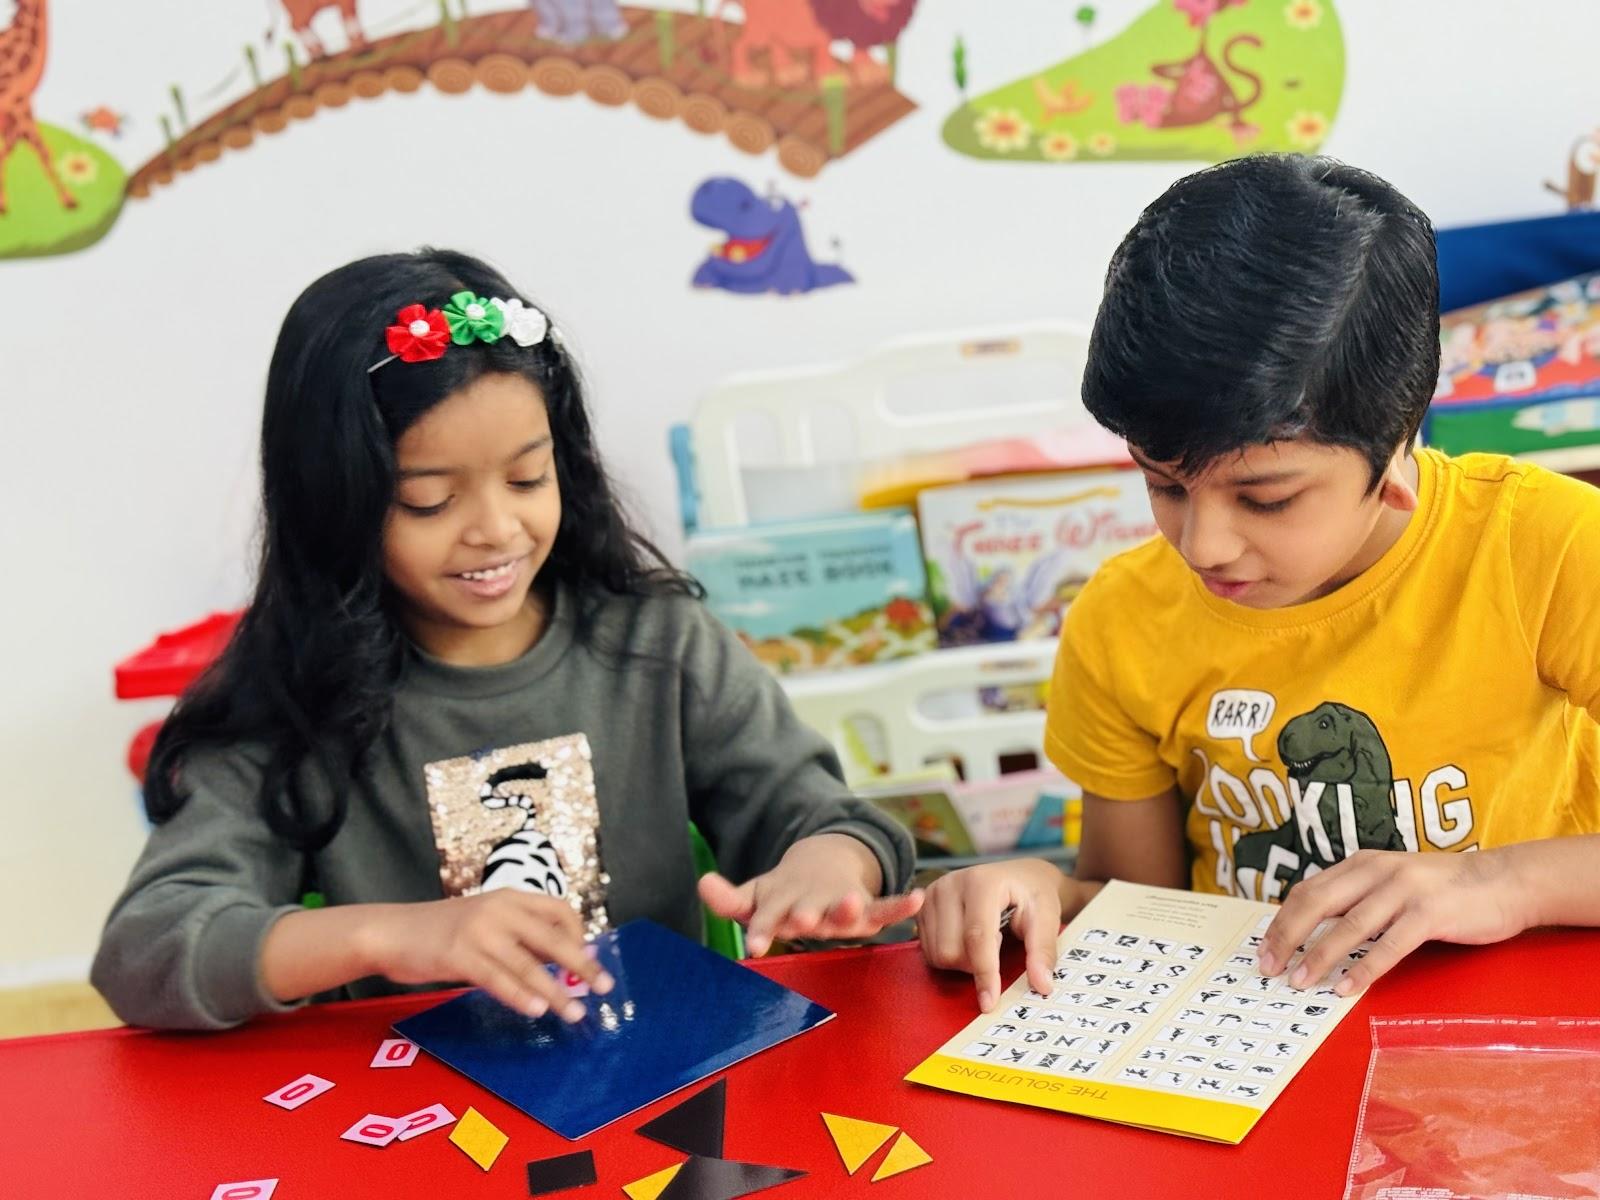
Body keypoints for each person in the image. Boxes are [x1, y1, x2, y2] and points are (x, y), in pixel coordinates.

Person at [92, 248, 921, 1031]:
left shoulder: (659, 645)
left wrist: (831, 864)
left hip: (662, 1079)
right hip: (414, 1115)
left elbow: (824, 818)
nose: (496, 529)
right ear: (335, 502)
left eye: (529, 478)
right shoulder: (293, 696)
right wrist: (394, 935)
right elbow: (147, 951)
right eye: (427, 500)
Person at [917, 155, 1600, 1011]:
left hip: (1511, 1032)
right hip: (1250, 1048)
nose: (1201, 544)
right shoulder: (1125, 618)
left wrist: (1501, 883)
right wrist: (1033, 892)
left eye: (1266, 498)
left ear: (1394, 455)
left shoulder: (1544, 548)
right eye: (1163, 483)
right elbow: (1138, 906)